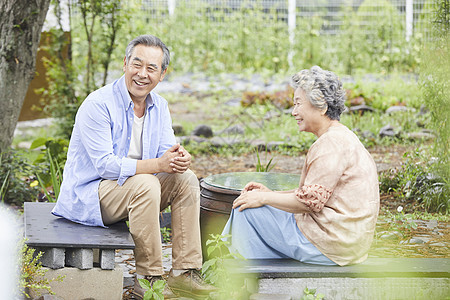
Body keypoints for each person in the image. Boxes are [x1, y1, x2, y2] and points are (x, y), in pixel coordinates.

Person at [52, 35, 216, 299]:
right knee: (146, 182)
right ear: (125, 64)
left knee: (186, 178)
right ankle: (148, 279)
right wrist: (158, 164)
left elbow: (166, 151)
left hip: (138, 193)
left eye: (151, 68)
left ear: (162, 74)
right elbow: (105, 167)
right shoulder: (98, 104)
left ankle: (184, 273)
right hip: (93, 197)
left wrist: (178, 157)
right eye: (136, 64)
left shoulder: (159, 105)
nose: (142, 74)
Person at [222, 66, 380, 266]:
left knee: (244, 208)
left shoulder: (330, 144)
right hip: (347, 242)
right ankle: (262, 275)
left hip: (331, 243)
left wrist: (263, 197)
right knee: (253, 202)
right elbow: (314, 194)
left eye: (298, 104)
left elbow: (309, 202)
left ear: (321, 105)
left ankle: (252, 281)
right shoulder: (343, 136)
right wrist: (272, 194)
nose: (294, 112)